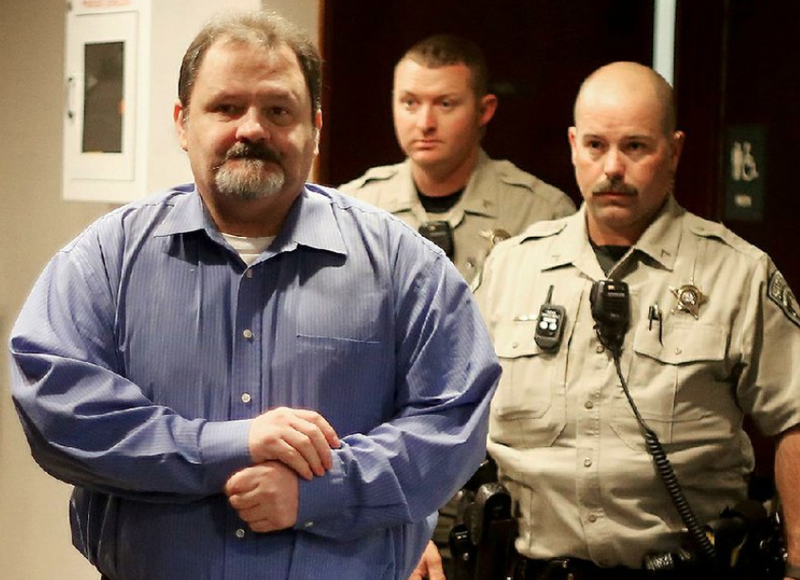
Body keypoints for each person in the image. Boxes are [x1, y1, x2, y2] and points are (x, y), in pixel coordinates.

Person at [9, 11, 500, 580]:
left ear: (314, 127)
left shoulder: (402, 266)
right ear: (182, 122)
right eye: (226, 107)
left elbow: (454, 421)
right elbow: (58, 411)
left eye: (278, 111)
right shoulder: (107, 259)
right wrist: (225, 446)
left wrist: (321, 491)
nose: (252, 129)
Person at [471, 61, 800, 579]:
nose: (612, 169)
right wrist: (416, 526)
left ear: (674, 150)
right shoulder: (512, 268)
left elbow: (794, 417)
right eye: (597, 146)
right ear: (574, 145)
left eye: (636, 147)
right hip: (532, 565)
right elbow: (446, 408)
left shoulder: (738, 273)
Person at [339, 34, 575, 284]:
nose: (425, 123)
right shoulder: (354, 209)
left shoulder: (540, 214)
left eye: (445, 104)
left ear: (484, 110)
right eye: (410, 103)